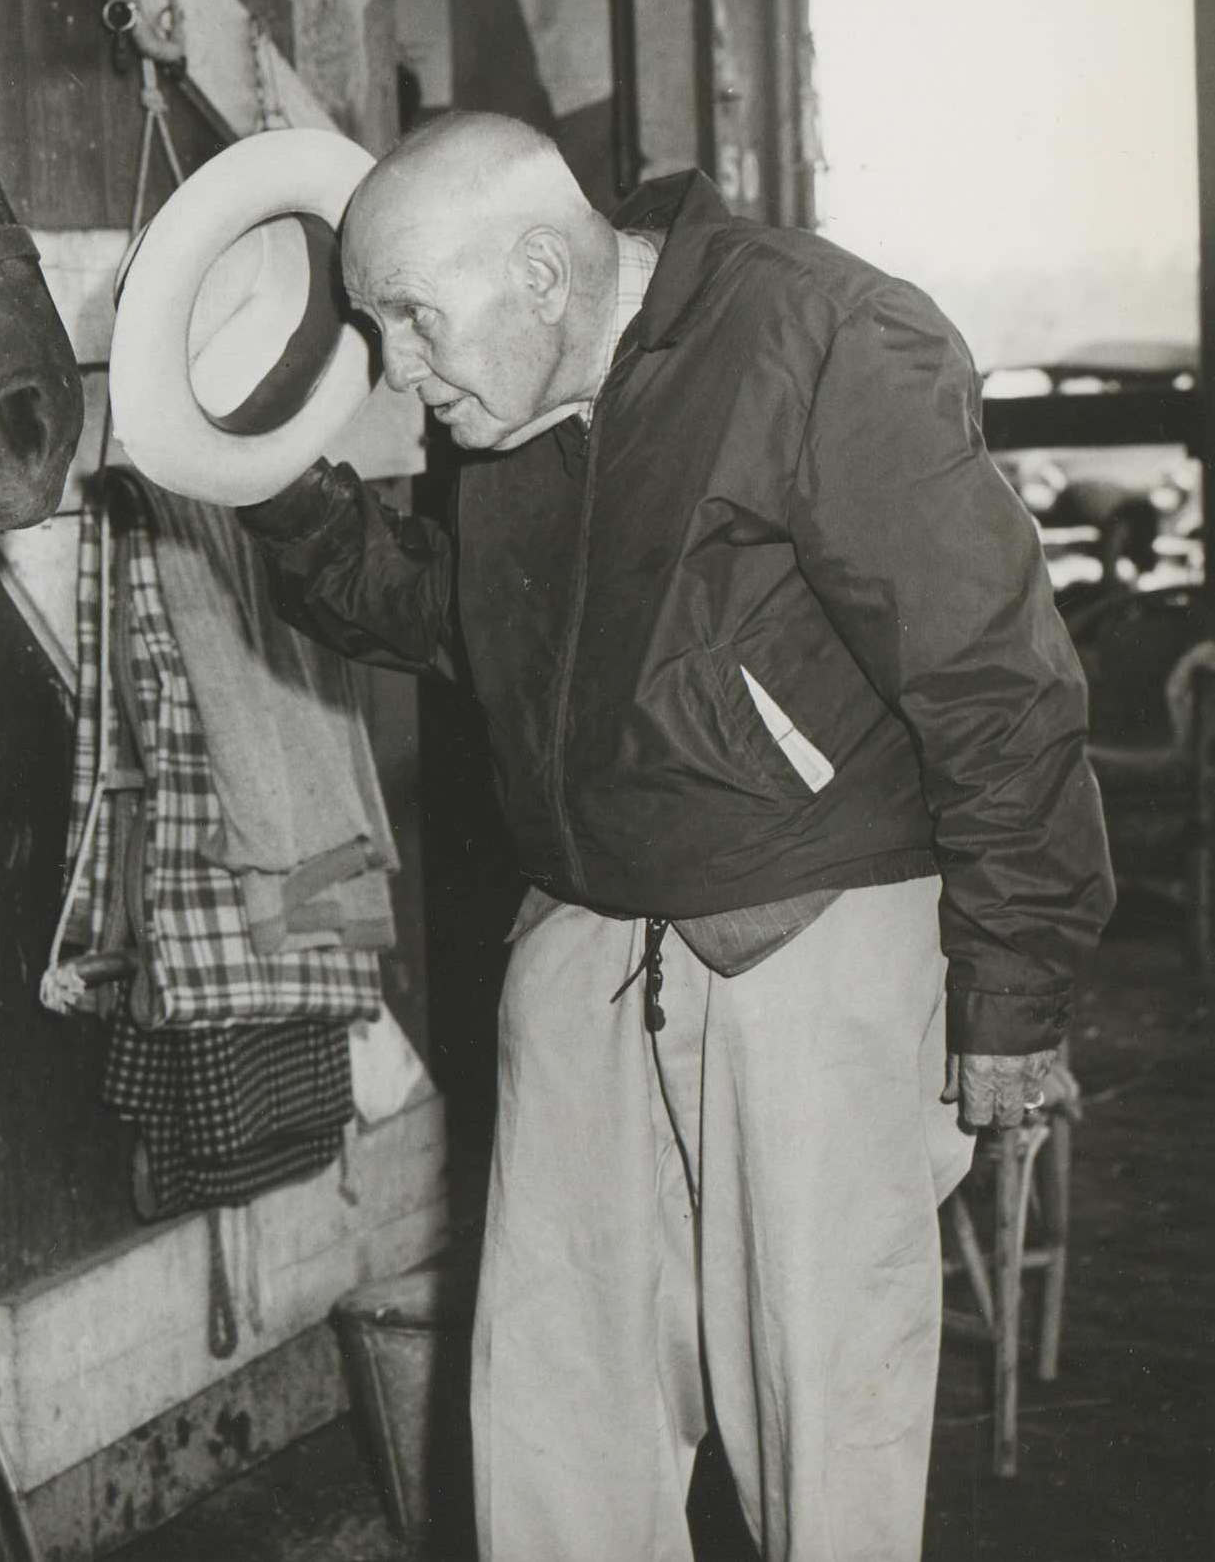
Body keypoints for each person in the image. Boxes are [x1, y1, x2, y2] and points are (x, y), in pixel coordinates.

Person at [237, 113, 1110, 1560]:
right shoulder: (510, 398)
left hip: (808, 948)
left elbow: (999, 684)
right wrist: (277, 492)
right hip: (584, 945)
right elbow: (451, 620)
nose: (394, 369)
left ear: (538, 270)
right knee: (552, 1428)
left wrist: (1013, 991)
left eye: (408, 320)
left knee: (818, 1423)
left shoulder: (819, 338)